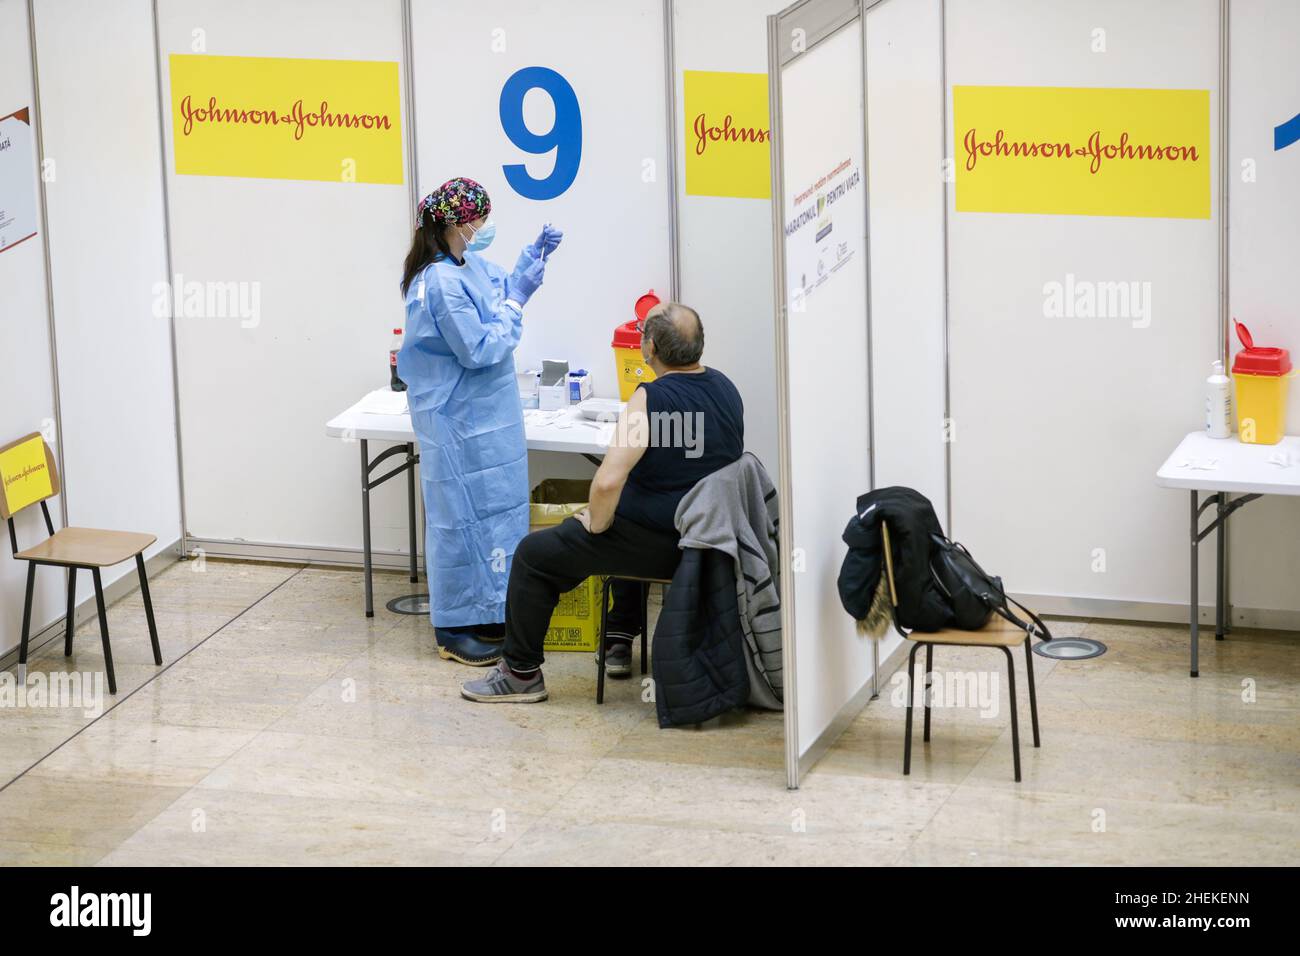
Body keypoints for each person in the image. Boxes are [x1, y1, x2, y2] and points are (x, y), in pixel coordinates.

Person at [461, 302, 745, 703]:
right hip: (711, 541)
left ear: (649, 348)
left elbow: (608, 481)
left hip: (666, 544)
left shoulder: (650, 399)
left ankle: (520, 674)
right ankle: (617, 637)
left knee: (532, 554)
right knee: (622, 517)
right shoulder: (725, 389)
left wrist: (593, 522)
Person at [397, 177, 562, 666]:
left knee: (497, 516)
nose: (483, 228)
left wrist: (526, 271)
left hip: (490, 423)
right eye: (478, 221)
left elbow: (498, 294)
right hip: (456, 421)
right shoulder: (440, 282)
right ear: (454, 223)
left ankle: (490, 610)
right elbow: (479, 347)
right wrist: (516, 304)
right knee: (459, 520)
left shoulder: (466, 265)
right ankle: (452, 624)